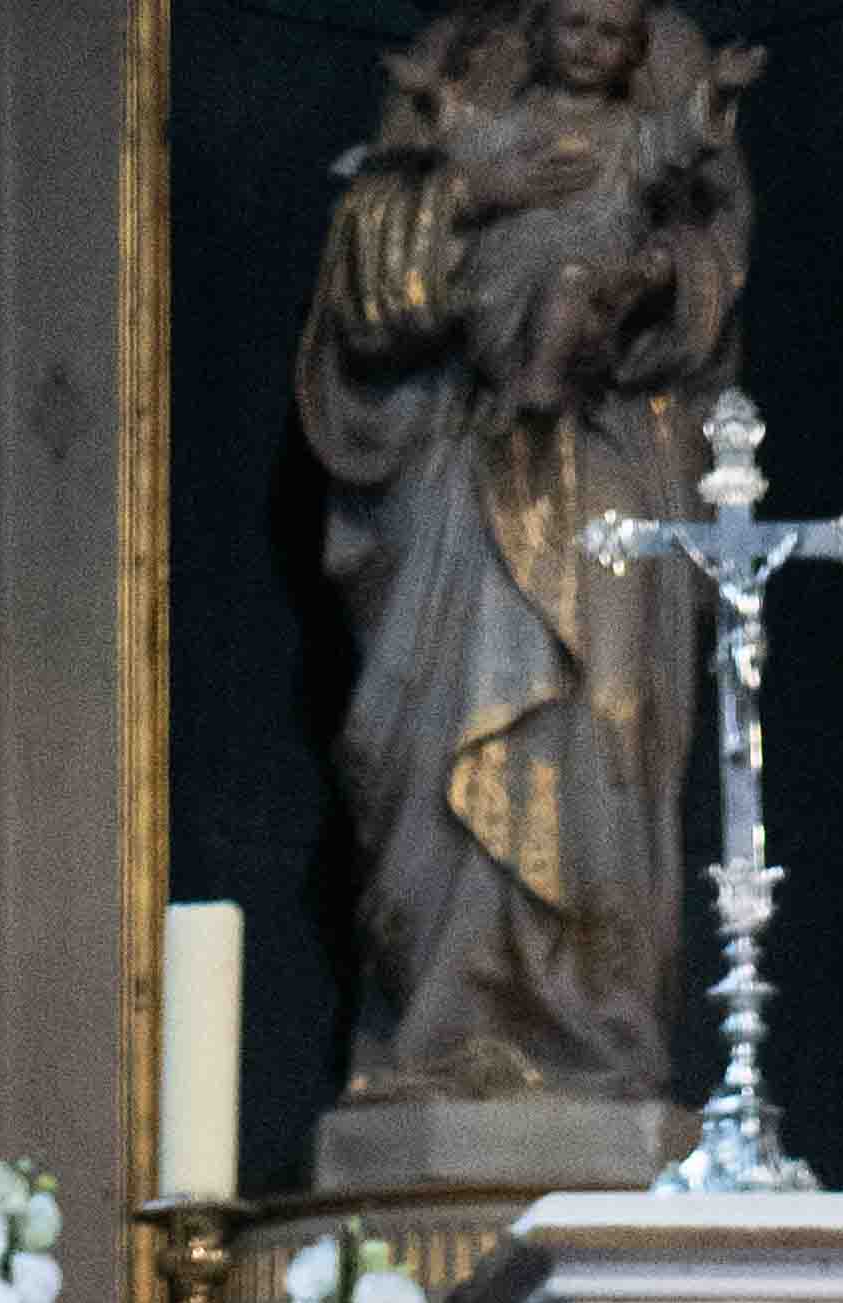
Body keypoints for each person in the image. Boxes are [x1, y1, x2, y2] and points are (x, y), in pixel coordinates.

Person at [295, 2, 755, 1100]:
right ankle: (447, 1018)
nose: (590, 46)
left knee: (603, 719)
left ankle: (592, 1019)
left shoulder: (654, 106)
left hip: (606, 449)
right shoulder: (463, 80)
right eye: (572, 26)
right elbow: (370, 281)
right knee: (447, 723)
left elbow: (711, 264)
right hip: (459, 456)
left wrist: (651, 279)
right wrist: (473, 194)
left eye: (609, 32)